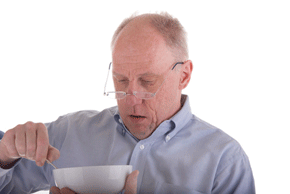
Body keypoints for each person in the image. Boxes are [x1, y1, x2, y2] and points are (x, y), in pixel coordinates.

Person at [0, 12, 255, 194]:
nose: (131, 99)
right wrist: (4, 155)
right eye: (121, 80)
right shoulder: (68, 134)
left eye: (147, 81)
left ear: (184, 75)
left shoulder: (224, 160)